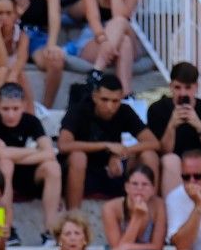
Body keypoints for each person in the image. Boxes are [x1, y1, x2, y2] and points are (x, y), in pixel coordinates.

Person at [61, 72, 158, 212]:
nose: (110, 106)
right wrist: (106, 145)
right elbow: (64, 145)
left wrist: (121, 153)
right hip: (84, 170)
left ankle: (150, 214)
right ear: (95, 96)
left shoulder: (124, 111)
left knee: (149, 155)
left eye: (115, 101)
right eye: (104, 100)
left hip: (113, 170)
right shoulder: (79, 110)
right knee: (78, 157)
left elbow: (153, 142)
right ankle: (74, 219)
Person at [0, 82, 62, 234]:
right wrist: (31, 150)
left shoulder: (31, 121)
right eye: (5, 109)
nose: (11, 114)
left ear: (24, 105)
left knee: (53, 167)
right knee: (6, 164)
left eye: (15, 109)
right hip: (0, 177)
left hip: (29, 174)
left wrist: (12, 153)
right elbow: (1, 155)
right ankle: (3, 227)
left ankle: (51, 230)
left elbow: (50, 153)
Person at [148, 61, 201, 181]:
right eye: (177, 87)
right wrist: (171, 126)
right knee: (170, 160)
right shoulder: (157, 109)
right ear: (171, 86)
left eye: (188, 88)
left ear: (196, 87)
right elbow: (162, 152)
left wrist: (200, 127)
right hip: (174, 160)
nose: (183, 93)